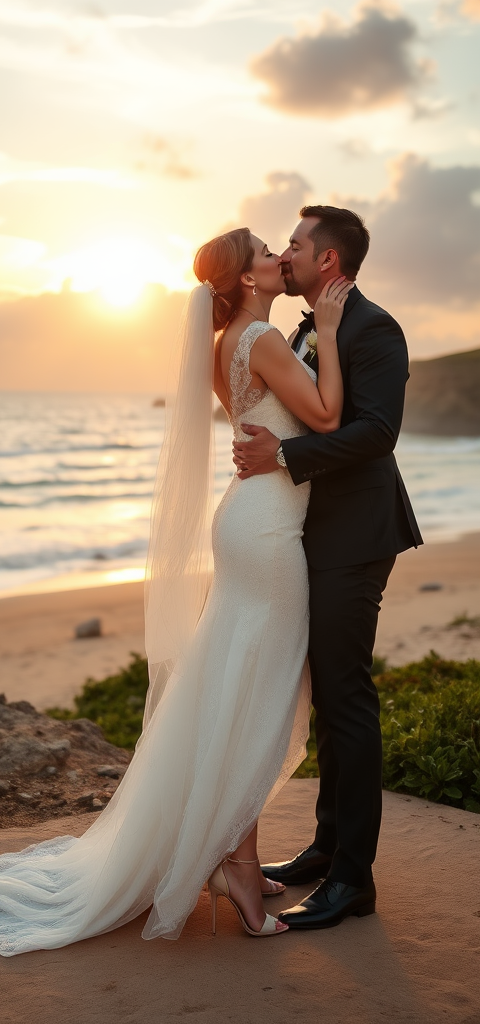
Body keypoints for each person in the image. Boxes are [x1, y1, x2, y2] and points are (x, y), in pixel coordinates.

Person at [0, 228, 351, 953]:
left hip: (246, 520)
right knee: (261, 696)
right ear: (246, 280)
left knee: (240, 692)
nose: (281, 256)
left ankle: (229, 855)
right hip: (270, 529)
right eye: (266, 253)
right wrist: (332, 334)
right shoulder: (263, 341)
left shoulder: (226, 345)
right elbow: (329, 418)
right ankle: (239, 868)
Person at [233, 206, 423, 929]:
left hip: (356, 535)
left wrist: (282, 456)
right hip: (313, 535)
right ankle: (324, 846)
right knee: (328, 698)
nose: (287, 253)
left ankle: (354, 880)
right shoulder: (308, 329)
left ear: (329, 263)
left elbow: (376, 433)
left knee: (347, 697)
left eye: (296, 244)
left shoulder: (375, 329)